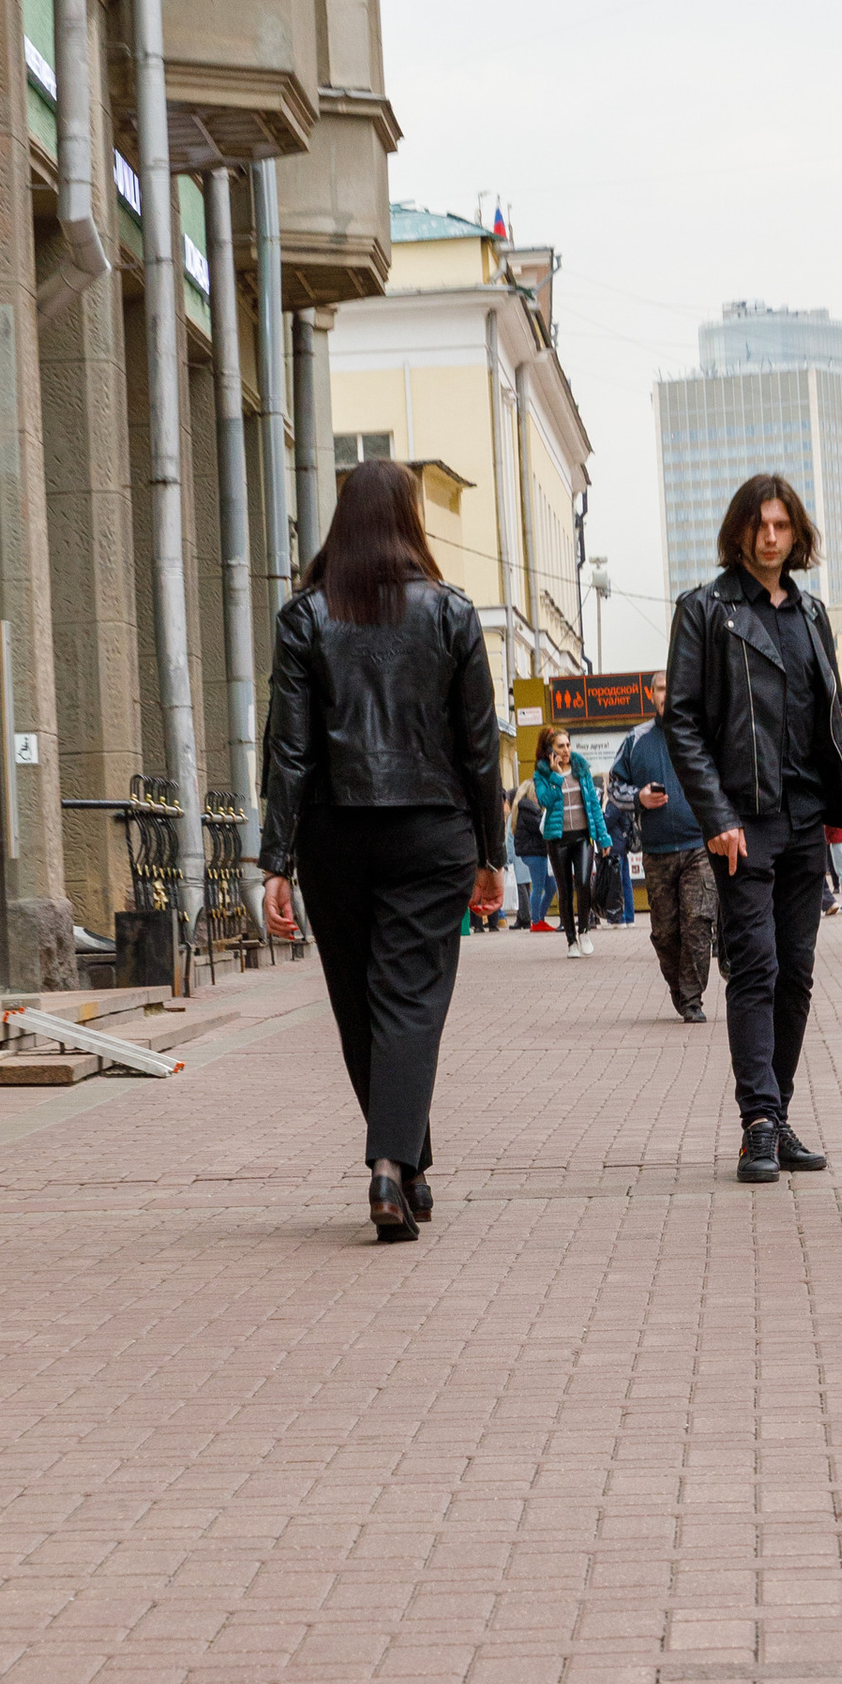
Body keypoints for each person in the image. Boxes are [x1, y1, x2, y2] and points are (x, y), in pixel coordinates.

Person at [258, 457, 504, 1241]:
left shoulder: (304, 616)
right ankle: (395, 1167)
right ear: (409, 520)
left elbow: (288, 750)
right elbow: (479, 748)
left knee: (361, 1004)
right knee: (409, 999)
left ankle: (405, 1167)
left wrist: (275, 861)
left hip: (334, 835)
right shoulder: (452, 613)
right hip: (433, 831)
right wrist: (491, 855)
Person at [664, 472, 842, 1181]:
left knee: (797, 974)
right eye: (761, 526)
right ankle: (757, 1120)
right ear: (741, 532)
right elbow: (683, 721)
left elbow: (833, 722)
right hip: (743, 823)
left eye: (783, 525)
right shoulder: (705, 611)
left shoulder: (812, 615)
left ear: (797, 532)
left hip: (805, 818)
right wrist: (716, 816)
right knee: (756, 965)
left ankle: (776, 1116)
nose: (772, 537)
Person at [611, 679, 715, 1019]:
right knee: (666, 933)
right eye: (660, 689)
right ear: (650, 695)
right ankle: (679, 990)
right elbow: (614, 787)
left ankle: (692, 999)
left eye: (672, 688)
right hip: (657, 851)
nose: (666, 695)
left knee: (697, 923)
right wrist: (639, 797)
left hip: (699, 846)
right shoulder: (636, 739)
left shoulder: (700, 734)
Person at [533, 726, 609, 955]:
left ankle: (584, 931)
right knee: (564, 889)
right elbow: (545, 801)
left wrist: (603, 837)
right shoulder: (542, 774)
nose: (566, 750)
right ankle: (571, 941)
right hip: (558, 839)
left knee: (584, 882)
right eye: (560, 746)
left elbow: (593, 805)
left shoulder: (581, 769)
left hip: (582, 836)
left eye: (568, 745)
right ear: (550, 750)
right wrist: (555, 776)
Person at [600, 763, 640, 923]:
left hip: (615, 845)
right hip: (621, 844)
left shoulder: (614, 801)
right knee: (625, 881)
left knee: (617, 883)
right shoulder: (623, 798)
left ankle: (620, 917)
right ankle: (628, 916)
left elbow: (607, 821)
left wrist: (600, 817)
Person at [512, 776, 550, 929]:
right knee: (538, 886)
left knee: (550, 886)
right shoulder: (529, 809)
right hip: (535, 852)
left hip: (534, 852)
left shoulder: (525, 809)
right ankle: (536, 921)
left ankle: (538, 918)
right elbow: (540, 828)